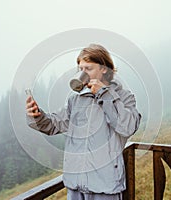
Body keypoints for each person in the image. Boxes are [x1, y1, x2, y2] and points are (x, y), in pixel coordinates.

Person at [26, 44, 141, 200]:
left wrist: (105, 94)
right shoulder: (75, 99)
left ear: (104, 69)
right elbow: (54, 125)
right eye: (80, 69)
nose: (83, 73)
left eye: (88, 68)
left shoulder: (124, 97)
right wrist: (38, 116)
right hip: (75, 185)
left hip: (105, 186)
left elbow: (127, 127)